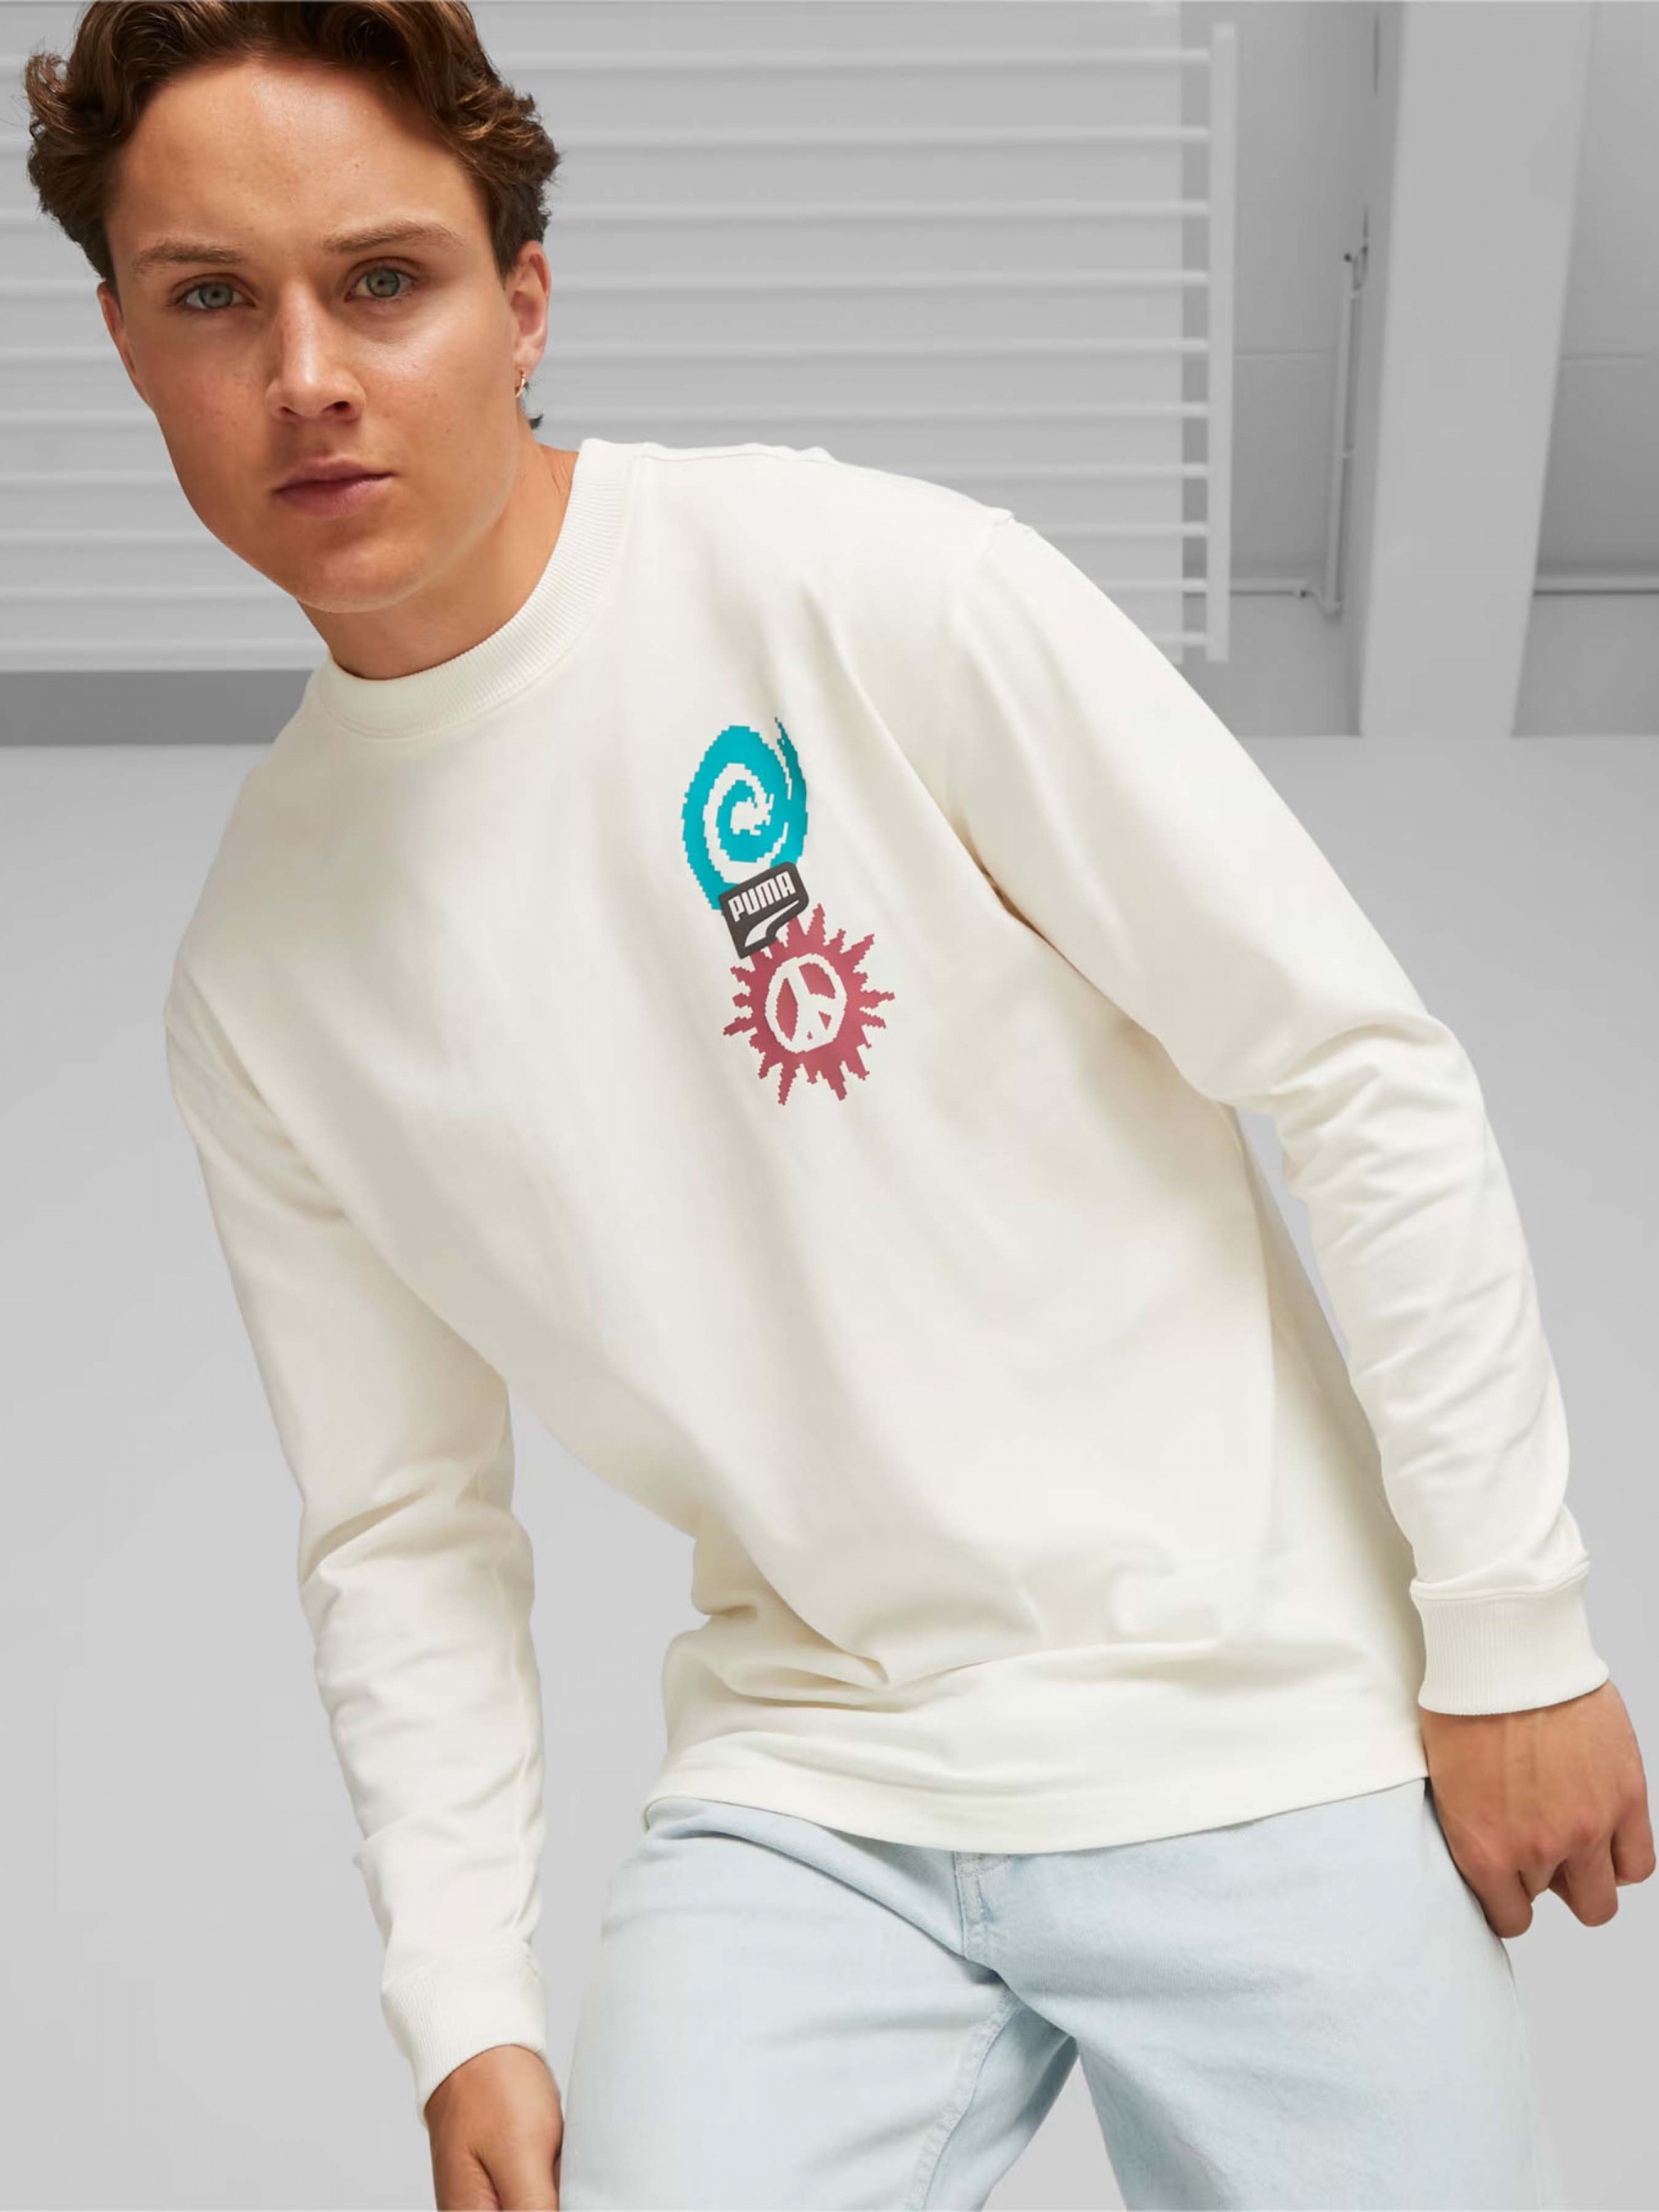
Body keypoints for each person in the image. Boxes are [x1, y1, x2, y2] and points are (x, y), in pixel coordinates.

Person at [25, 5, 1652, 2208]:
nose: (305, 372)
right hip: (811, 1791)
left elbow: (1347, 1061)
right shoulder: (262, 970)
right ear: (129, 346)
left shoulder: (867, 587)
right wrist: (465, 1996)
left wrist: (1513, 1633)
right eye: (212, 298)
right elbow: (402, 1522)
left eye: (382, 278)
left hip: (1250, 1709)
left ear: (522, 301)